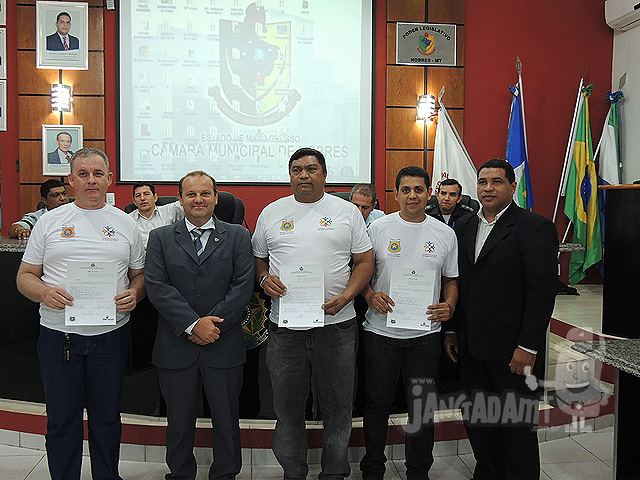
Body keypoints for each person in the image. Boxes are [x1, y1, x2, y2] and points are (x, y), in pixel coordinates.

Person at [16, 147, 145, 480]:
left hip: (110, 337)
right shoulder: (50, 222)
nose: (91, 181)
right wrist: (44, 292)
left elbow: (139, 275)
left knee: (106, 420)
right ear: (71, 179)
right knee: (61, 420)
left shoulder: (126, 224)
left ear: (110, 180)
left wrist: (135, 293)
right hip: (59, 337)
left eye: (98, 174)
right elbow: (24, 276)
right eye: (84, 174)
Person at [252, 147, 374, 480]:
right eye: (296, 169)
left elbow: (365, 262)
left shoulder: (347, 212)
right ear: (289, 175)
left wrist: (348, 295)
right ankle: (294, 473)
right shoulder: (271, 213)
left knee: (338, 409)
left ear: (324, 173)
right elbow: (258, 260)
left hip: (336, 328)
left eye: (311, 168)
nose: (304, 175)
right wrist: (263, 279)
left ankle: (334, 473)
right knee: (287, 409)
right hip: (286, 330)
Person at [444, 158, 558, 480]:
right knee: (479, 422)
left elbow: (541, 294)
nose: (488, 188)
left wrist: (528, 347)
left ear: (512, 186)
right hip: (472, 348)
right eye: (482, 182)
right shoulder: (465, 226)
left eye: (496, 182)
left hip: (513, 351)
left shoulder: (535, 227)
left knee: (516, 428)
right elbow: (459, 282)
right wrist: (452, 329)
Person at [145, 171, 254, 480]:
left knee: (226, 422)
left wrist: (212, 325)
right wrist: (193, 324)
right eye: (191, 194)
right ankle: (180, 475)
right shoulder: (161, 237)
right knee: (178, 424)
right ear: (180, 199)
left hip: (224, 344)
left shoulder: (237, 236)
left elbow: (242, 286)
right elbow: (157, 286)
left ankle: (225, 475)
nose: (198, 200)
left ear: (216, 198)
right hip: (175, 347)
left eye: (205, 193)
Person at [359, 166, 458, 480]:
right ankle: (373, 467)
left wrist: (450, 305)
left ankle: (418, 471)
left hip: (425, 336)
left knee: (422, 407)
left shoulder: (445, 233)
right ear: (396, 193)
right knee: (376, 404)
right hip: (380, 333)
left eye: (419, 189)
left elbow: (451, 280)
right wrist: (369, 295)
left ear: (428, 192)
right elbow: (360, 272)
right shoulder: (378, 229)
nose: (412, 195)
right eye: (406, 189)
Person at [128, 182, 184, 248]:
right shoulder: (128, 220)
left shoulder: (170, 210)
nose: (142, 198)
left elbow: (187, 204)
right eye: (138, 195)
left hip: (167, 254)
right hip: (142, 256)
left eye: (146, 194)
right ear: (134, 201)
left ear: (155, 198)